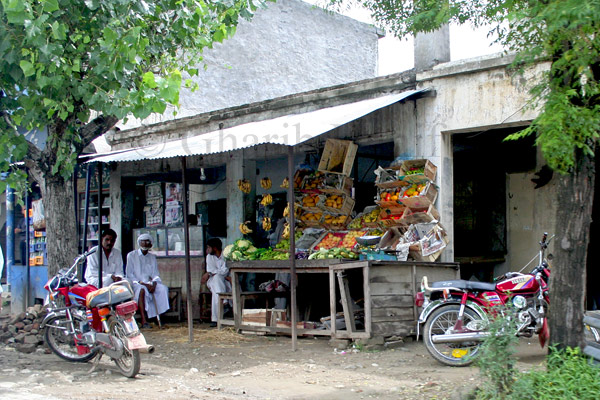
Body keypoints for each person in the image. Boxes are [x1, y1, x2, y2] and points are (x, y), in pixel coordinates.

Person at [126, 233, 169, 328]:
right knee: (142, 290)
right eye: (143, 241)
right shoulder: (131, 255)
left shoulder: (152, 257)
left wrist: (154, 284)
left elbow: (155, 274)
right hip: (137, 284)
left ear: (151, 244)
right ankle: (143, 320)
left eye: (147, 241)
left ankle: (158, 317)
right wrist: (144, 284)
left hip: (150, 283)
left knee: (163, 289)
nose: (145, 243)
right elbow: (130, 275)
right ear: (139, 243)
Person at [201, 238, 231, 327]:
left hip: (225, 281)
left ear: (215, 248)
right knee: (217, 279)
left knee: (216, 293)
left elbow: (225, 271)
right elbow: (211, 270)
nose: (207, 250)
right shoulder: (209, 257)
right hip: (213, 280)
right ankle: (224, 302)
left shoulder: (226, 256)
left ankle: (215, 319)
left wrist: (213, 273)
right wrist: (214, 273)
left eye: (209, 248)